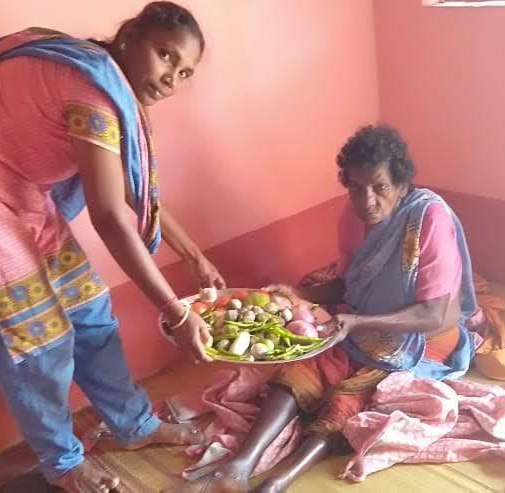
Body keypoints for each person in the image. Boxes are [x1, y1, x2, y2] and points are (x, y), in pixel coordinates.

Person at [0, 3, 221, 492]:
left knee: (90, 309)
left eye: (184, 72)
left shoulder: (115, 96)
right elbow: (109, 217)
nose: (172, 78)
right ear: (129, 39)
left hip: (6, 180)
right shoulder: (94, 93)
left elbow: (136, 191)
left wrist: (194, 256)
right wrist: (175, 311)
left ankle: (134, 425)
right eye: (166, 55)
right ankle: (62, 462)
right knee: (34, 333)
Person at [175, 125, 480, 492]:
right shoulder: (353, 217)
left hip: (424, 337)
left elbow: (435, 314)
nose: (367, 200)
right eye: (356, 187)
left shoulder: (429, 219)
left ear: (401, 185)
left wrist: (359, 322)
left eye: (380, 187)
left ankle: (276, 482)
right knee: (298, 374)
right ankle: (238, 466)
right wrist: (299, 293)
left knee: (347, 398)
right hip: (360, 324)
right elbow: (350, 285)